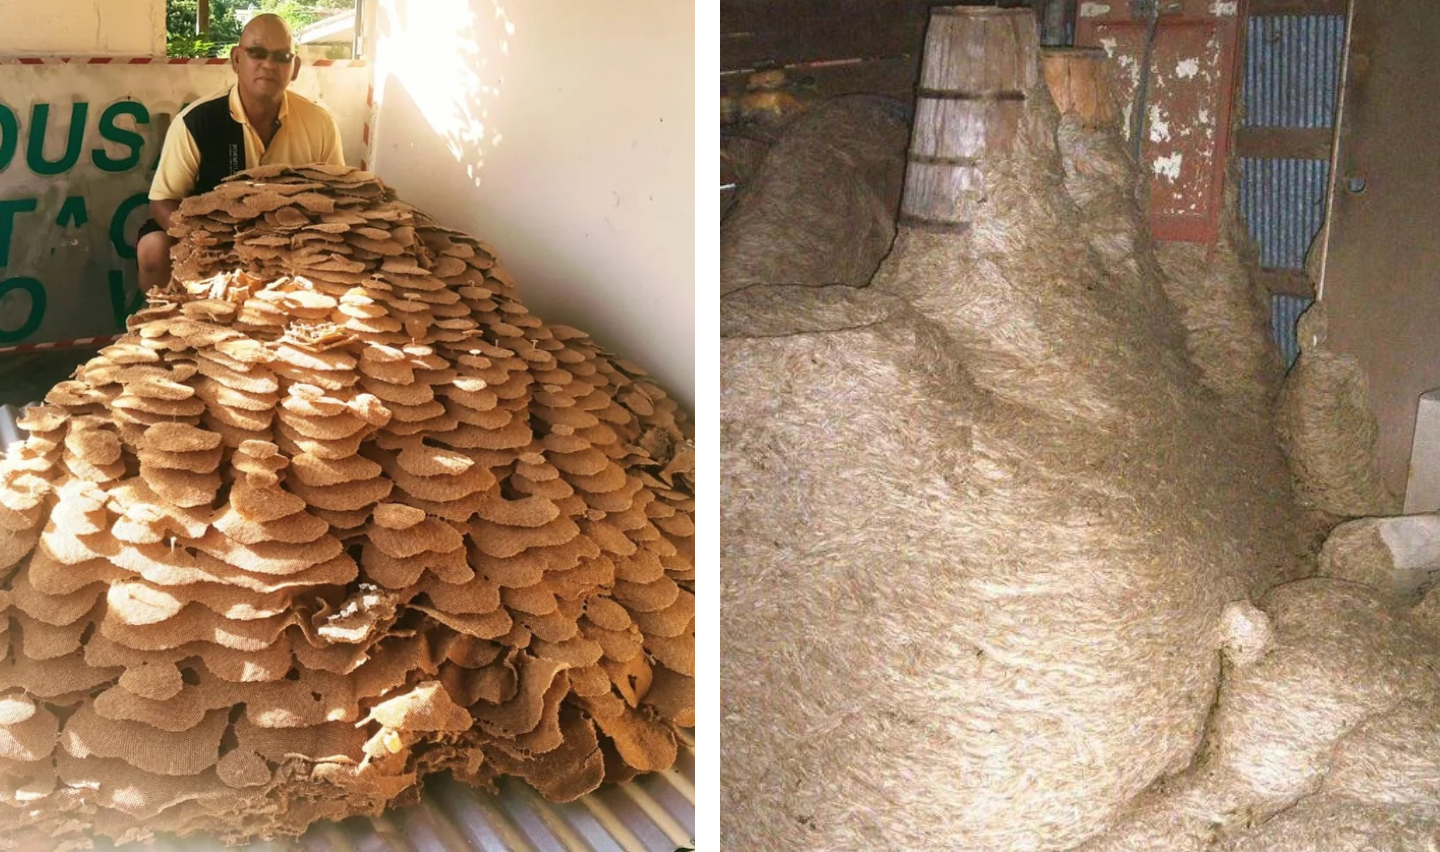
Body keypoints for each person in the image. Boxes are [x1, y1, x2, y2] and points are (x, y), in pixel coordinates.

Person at [139, 13, 346, 292]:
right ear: (237, 59)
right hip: (209, 235)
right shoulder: (197, 122)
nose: (269, 65)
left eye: (282, 56)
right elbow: (162, 201)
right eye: (257, 53)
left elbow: (338, 197)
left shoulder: (320, 123)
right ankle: (157, 326)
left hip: (292, 236)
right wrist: (207, 241)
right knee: (153, 248)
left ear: (294, 68)